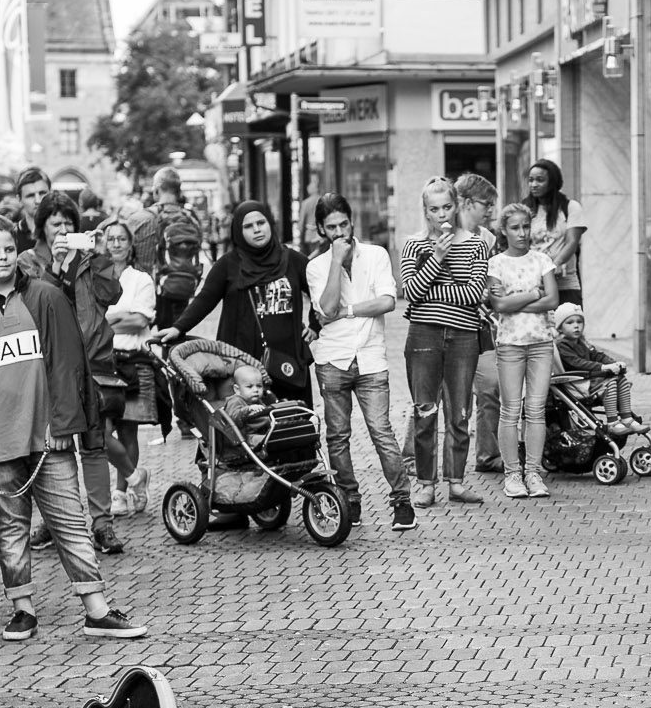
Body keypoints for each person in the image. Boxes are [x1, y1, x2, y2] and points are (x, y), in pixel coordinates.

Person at [0, 217, 144, 643]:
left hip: (48, 439)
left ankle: (97, 610)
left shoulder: (46, 297)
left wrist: (62, 422)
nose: (3, 257)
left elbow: (68, 364)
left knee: (70, 524)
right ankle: (22, 610)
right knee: (10, 530)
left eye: (9, 249)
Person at [23, 191, 124, 555]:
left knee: (95, 445)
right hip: (48, 365)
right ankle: (55, 522)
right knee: (52, 448)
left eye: (69, 223)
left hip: (92, 360)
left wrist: (100, 256)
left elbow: (112, 295)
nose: (63, 230)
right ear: (42, 227)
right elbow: (36, 304)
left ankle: (102, 524)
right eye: (56, 224)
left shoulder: (89, 257)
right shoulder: (28, 261)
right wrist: (56, 265)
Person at [305, 194, 413, 530]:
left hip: (370, 357)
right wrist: (336, 262)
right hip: (332, 358)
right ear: (321, 230)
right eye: (331, 228)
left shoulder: (376, 255)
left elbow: (387, 302)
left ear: (352, 222)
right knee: (338, 437)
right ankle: (349, 500)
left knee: (382, 432)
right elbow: (326, 308)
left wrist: (348, 311)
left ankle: (402, 502)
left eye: (343, 224)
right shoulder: (316, 266)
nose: (339, 232)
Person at [394, 177, 490, 506]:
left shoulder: (476, 244)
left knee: (459, 412)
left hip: (463, 335)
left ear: (456, 206)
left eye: (447, 207)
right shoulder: (413, 245)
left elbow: (474, 293)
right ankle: (425, 484)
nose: (441, 215)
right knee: (425, 411)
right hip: (424, 335)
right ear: (425, 211)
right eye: (434, 209)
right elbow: (411, 292)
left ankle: (456, 482)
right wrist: (436, 258)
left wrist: (433, 291)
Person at [156, 201, 312, 402]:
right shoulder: (228, 265)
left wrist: (315, 326)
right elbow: (205, 299)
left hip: (288, 362)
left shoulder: (294, 261)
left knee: (295, 416)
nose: (257, 230)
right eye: (248, 226)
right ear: (238, 231)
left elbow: (320, 293)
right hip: (241, 365)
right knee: (246, 418)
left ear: (270, 224)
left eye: (261, 223)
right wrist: (178, 327)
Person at [487, 202, 560, 499]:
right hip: (510, 345)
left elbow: (552, 300)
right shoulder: (496, 263)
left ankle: (533, 472)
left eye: (525, 226)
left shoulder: (542, 260)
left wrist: (515, 301)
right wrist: (533, 294)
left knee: (536, 410)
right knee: (510, 410)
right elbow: (499, 305)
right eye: (515, 228)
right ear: (504, 231)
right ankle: (512, 474)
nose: (521, 233)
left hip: (541, 342)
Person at [97, 218, 157, 516]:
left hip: (132, 361)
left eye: (122, 239)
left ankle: (120, 494)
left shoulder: (141, 280)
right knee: (101, 432)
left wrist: (106, 320)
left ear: (131, 244)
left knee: (128, 431)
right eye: (111, 239)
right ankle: (136, 478)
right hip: (102, 362)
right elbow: (90, 319)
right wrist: (121, 317)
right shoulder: (96, 278)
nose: (116, 244)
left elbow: (140, 320)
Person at [555, 308, 648, 435]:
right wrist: (603, 367)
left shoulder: (582, 342)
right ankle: (612, 422)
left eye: (579, 322)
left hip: (590, 380)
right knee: (610, 382)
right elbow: (577, 363)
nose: (576, 326)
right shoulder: (562, 345)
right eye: (570, 322)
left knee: (621, 379)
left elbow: (598, 355)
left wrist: (614, 363)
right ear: (560, 328)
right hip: (578, 384)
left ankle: (626, 418)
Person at [524, 160, 586, 312]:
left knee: (569, 325)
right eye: (531, 180)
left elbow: (572, 241)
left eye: (540, 180)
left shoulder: (570, 207)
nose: (534, 185)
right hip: (533, 284)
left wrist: (554, 265)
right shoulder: (524, 208)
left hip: (565, 282)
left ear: (552, 182)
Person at [221, 364, 275, 451]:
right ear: (237, 389)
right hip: (246, 437)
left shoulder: (258, 401)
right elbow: (232, 418)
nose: (256, 390)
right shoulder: (235, 401)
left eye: (259, 386)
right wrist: (248, 409)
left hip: (262, 432)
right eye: (249, 387)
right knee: (270, 440)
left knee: (279, 435)